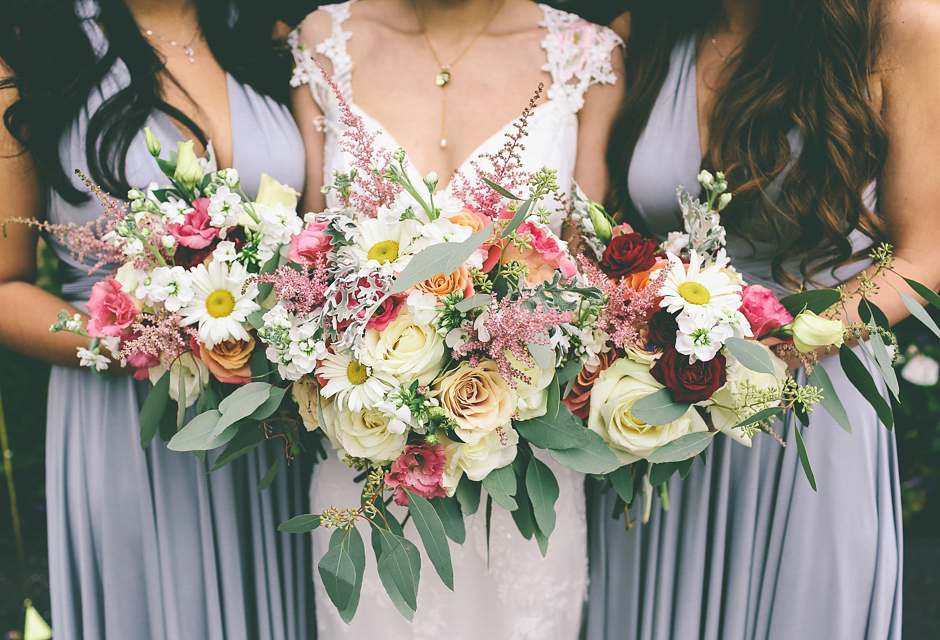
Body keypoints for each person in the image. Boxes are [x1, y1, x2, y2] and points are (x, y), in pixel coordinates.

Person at [584, 0, 940, 637]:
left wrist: (774, 353)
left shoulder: (897, 28)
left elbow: (924, 253)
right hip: (658, 406)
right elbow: (598, 234)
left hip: (813, 404)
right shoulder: (644, 32)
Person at [290, 0, 624, 636]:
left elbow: (590, 280)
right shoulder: (323, 39)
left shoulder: (587, 54)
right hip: (366, 453)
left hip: (521, 462)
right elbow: (309, 268)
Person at [0, 1, 312, 638]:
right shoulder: (26, 43)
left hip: (274, 422)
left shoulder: (262, 30)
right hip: (130, 422)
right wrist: (148, 339)